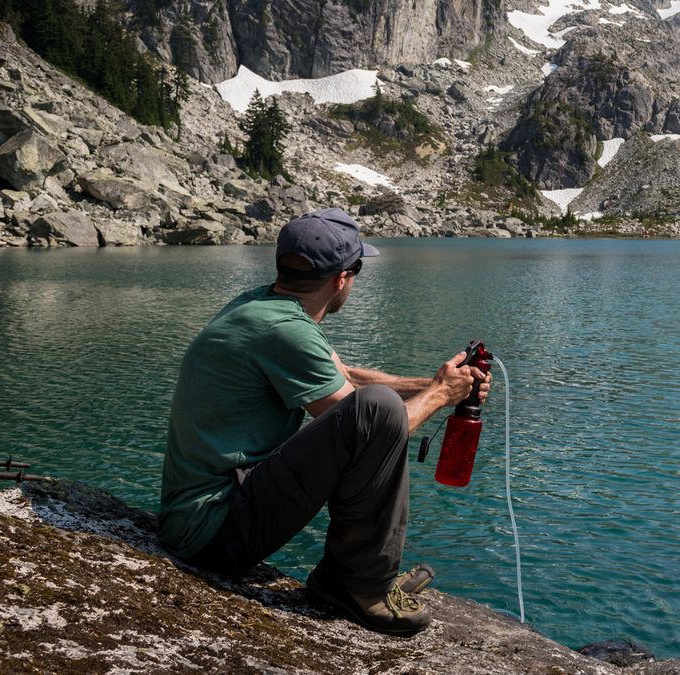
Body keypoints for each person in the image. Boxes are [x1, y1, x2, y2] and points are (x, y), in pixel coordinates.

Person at [158, 207, 489, 637]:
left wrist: (436, 383)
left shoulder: (264, 307)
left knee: (375, 405)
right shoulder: (285, 330)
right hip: (210, 533)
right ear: (342, 278)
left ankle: (346, 576)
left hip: (200, 517)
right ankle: (358, 586)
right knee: (377, 411)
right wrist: (441, 395)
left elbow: (344, 378)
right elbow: (372, 426)